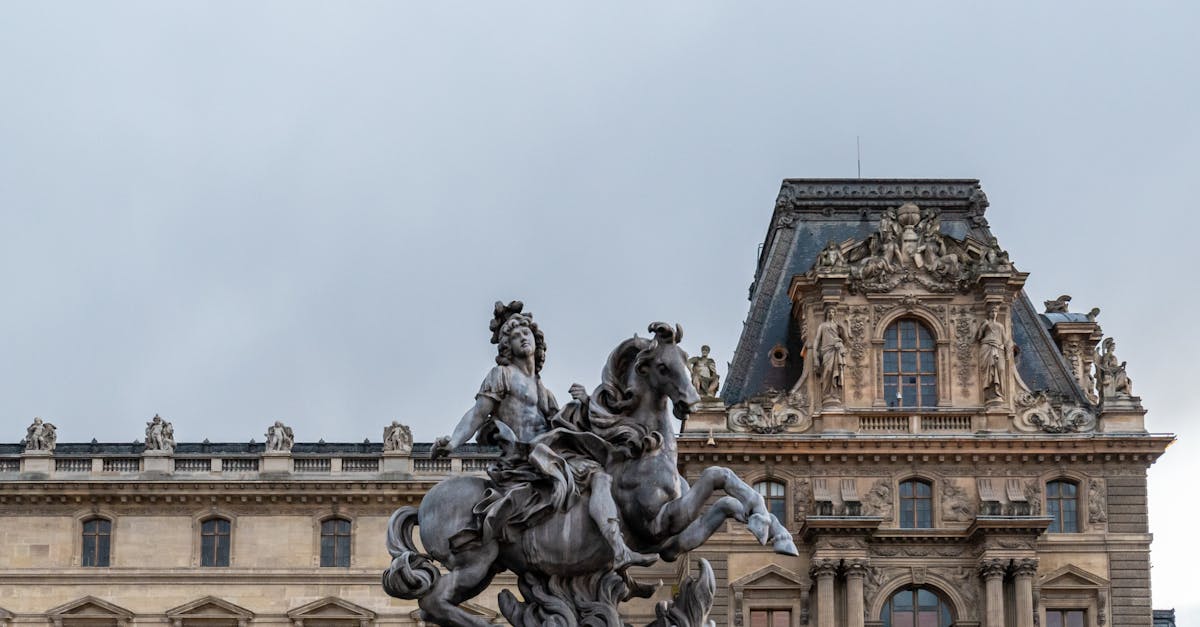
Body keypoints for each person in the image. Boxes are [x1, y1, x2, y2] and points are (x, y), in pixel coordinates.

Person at [433, 301, 654, 570]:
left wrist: (584, 402)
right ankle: (619, 549)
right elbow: (478, 414)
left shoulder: (542, 389)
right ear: (507, 348)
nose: (522, 338)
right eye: (514, 336)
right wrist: (454, 442)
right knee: (598, 476)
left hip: (548, 451)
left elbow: (562, 426)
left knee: (602, 467)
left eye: (526, 333)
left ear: (537, 342)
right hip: (526, 455)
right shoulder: (502, 375)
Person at [812, 305, 847, 401]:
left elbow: (846, 340)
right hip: (826, 351)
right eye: (829, 312)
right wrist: (815, 356)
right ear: (827, 314)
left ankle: (834, 392)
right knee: (827, 370)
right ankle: (826, 394)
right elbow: (817, 340)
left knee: (836, 371)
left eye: (832, 312)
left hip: (836, 350)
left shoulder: (837, 325)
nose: (831, 313)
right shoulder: (822, 326)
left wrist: (843, 330)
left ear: (835, 314)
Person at [976, 306, 1007, 401]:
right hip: (987, 347)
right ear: (989, 313)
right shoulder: (985, 323)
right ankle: (990, 393)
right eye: (992, 311)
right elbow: (978, 337)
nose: (994, 313)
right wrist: (983, 327)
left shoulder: (1000, 326)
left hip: (998, 348)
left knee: (1001, 369)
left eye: (995, 311)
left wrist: (1003, 346)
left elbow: (1004, 339)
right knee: (987, 370)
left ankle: (997, 392)